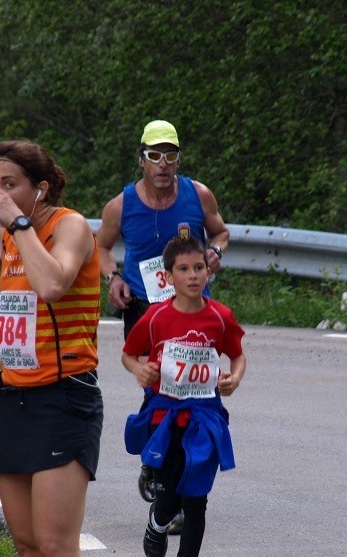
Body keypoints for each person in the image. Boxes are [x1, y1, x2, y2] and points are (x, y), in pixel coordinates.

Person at [0, 140, 108, 557]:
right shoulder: (10, 233)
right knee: (29, 550)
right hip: (18, 395)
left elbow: (53, 285)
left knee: (58, 546)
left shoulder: (68, 225)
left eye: (11, 184)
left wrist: (20, 225)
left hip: (66, 395)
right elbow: (16, 312)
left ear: (40, 189)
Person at [98, 119, 231, 530]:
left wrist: (213, 252)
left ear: (178, 159)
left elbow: (222, 233)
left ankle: (166, 474)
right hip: (145, 308)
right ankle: (159, 467)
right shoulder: (120, 205)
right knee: (157, 384)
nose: (163, 164)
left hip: (191, 308)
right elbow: (101, 246)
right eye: (154, 156)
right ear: (141, 159)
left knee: (186, 388)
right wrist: (113, 278)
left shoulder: (197, 194)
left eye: (170, 156)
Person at [121, 236, 246, 557]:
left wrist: (234, 378)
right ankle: (157, 522)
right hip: (167, 415)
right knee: (170, 492)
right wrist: (140, 369)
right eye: (184, 269)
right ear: (168, 276)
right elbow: (129, 354)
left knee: (197, 499)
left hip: (205, 417)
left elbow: (237, 356)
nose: (193, 276)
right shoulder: (157, 316)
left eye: (199, 268)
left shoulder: (220, 316)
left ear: (208, 271)